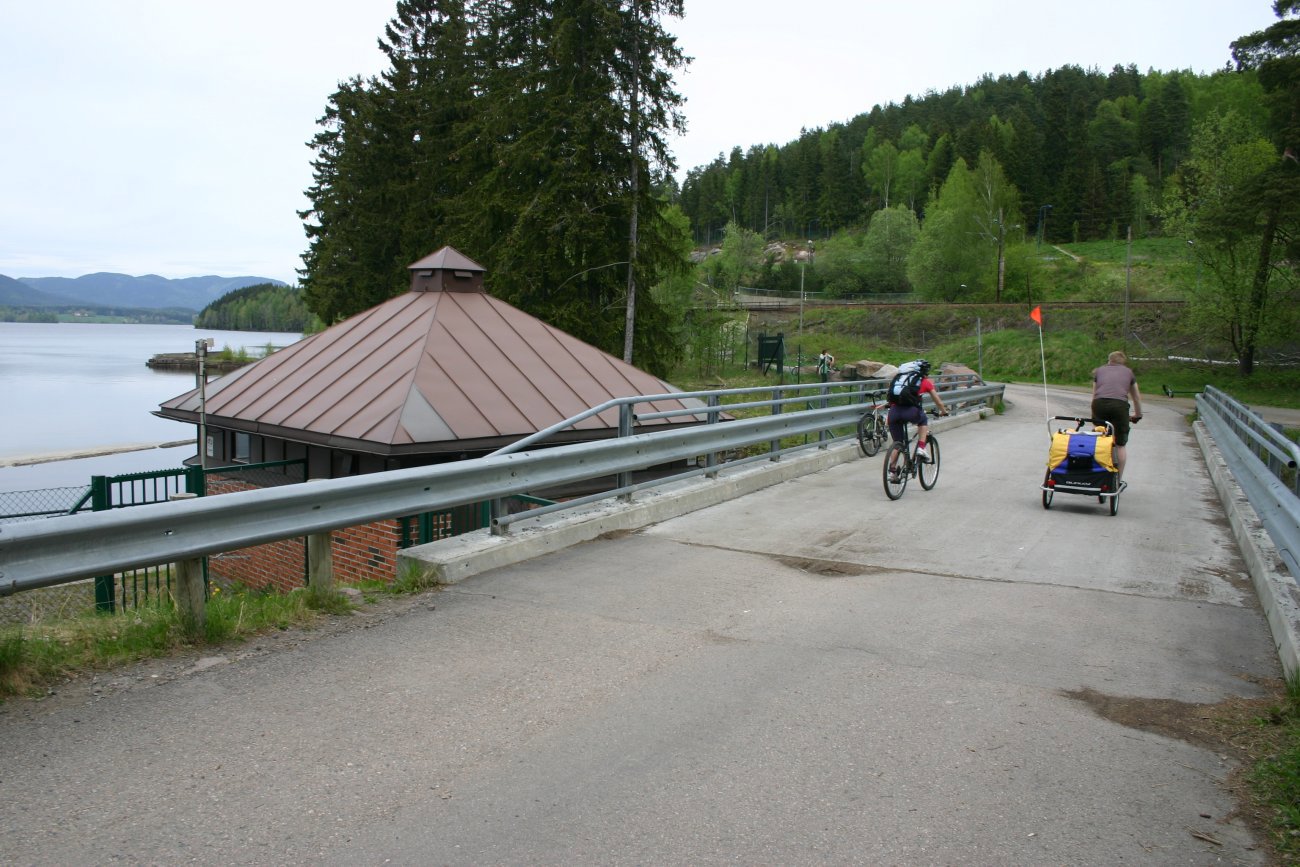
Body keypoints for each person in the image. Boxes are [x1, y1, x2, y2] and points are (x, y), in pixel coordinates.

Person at [886, 359, 947, 479]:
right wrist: (944, 411)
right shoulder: (923, 381)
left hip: (893, 413)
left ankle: (892, 472)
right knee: (923, 420)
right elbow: (938, 402)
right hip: (910, 412)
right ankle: (921, 448)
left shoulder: (899, 380)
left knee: (898, 444)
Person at [1091, 349, 1142, 481]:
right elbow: (1136, 398)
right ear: (1123, 362)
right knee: (1120, 445)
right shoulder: (1128, 372)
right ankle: (1118, 480)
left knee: (1099, 439)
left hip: (1099, 404)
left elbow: (1094, 395)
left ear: (1109, 360)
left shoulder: (1099, 371)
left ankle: (1095, 474)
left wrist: (1094, 416)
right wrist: (1138, 415)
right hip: (1119, 407)